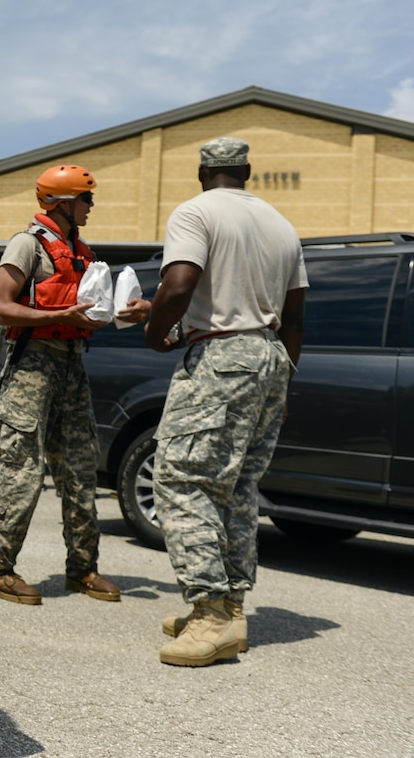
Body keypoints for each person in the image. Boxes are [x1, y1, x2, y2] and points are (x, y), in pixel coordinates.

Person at [145, 137, 306, 667]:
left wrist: (154, 331)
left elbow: (178, 286)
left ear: (201, 173)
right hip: (271, 357)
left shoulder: (196, 212)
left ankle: (210, 612)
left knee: (181, 477)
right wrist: (282, 384)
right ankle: (232, 608)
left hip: (220, 356)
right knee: (235, 485)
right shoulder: (281, 224)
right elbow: (296, 315)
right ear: (247, 172)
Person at [0, 165, 150, 605]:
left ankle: (82, 568)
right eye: (86, 199)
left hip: (72, 368)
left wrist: (128, 313)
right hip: (32, 367)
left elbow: (93, 310)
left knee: (79, 470)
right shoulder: (27, 245)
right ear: (64, 202)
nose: (91, 207)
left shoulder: (82, 252)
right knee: (24, 471)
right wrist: (56, 317)